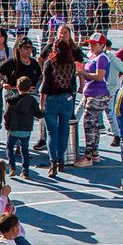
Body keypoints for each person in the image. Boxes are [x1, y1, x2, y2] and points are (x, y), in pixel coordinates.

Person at [39, 33, 81, 178]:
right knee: (63, 132)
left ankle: (53, 162)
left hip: (51, 99)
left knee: (51, 133)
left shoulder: (49, 63)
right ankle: (61, 160)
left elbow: (45, 85)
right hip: (67, 99)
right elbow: (73, 85)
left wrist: (41, 101)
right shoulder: (71, 65)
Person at [75, 33, 113, 167]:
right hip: (90, 93)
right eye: (90, 43)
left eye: (94, 44)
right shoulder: (93, 57)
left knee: (88, 124)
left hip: (97, 95)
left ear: (102, 45)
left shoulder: (102, 58)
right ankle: (95, 153)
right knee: (95, 124)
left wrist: (83, 73)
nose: (91, 46)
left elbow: (99, 76)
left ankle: (88, 156)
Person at [3, 77, 39, 181]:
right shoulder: (32, 100)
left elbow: (6, 114)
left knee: (9, 148)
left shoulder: (12, 99)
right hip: (26, 129)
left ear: (17, 87)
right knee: (25, 150)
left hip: (13, 128)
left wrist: (7, 125)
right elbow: (38, 114)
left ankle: (12, 167)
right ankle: (25, 171)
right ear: (30, 88)